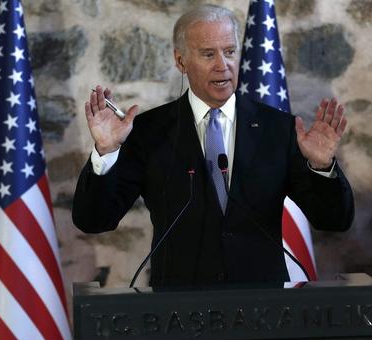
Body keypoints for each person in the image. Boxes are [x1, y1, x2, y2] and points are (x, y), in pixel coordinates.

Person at [72, 4, 354, 286]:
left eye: (230, 51)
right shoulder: (148, 132)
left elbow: (334, 220)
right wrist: (106, 152)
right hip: (177, 309)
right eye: (208, 54)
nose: (223, 65)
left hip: (262, 306)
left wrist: (321, 166)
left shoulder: (278, 129)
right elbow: (95, 220)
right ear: (181, 61)